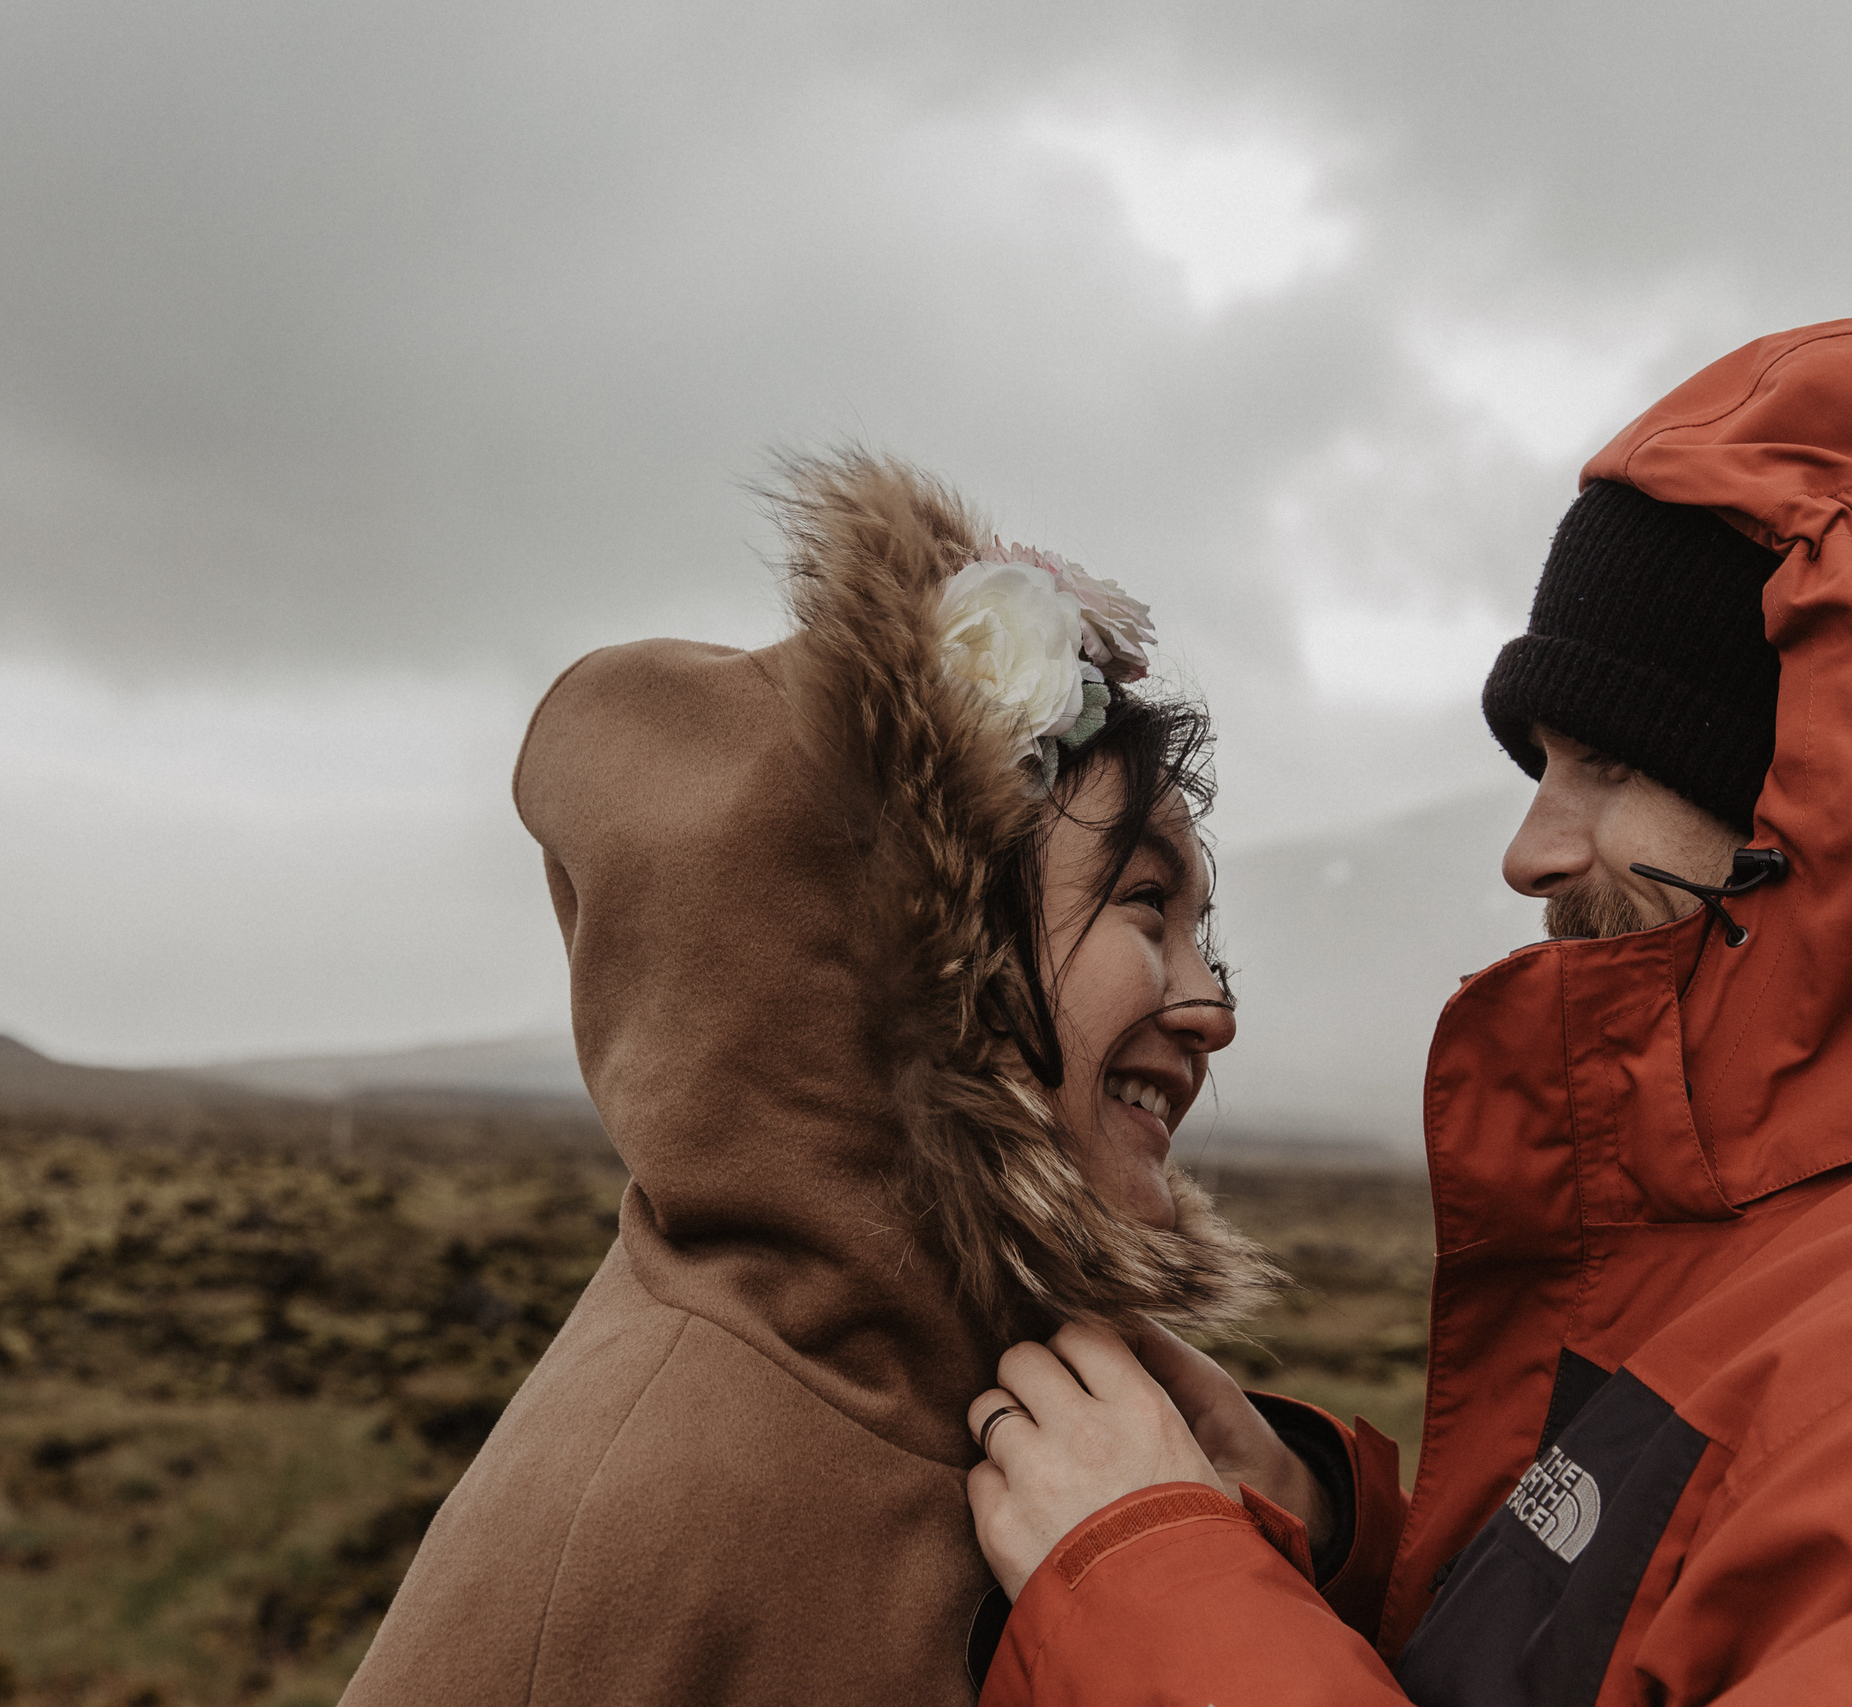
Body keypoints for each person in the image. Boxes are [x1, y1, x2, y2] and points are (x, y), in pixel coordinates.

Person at [963, 315, 1852, 1704]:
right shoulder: (1795, 1238)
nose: (1531, 848)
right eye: (1539, 763)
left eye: (1613, 763)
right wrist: (1324, 1538)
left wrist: (1153, 1594)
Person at [340, 454, 1288, 1704]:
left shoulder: (1095, 1416)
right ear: (919, 961)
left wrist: (1289, 1520)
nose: (1211, 1008)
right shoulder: (647, 1518)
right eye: (1146, 907)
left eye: (1200, 931)